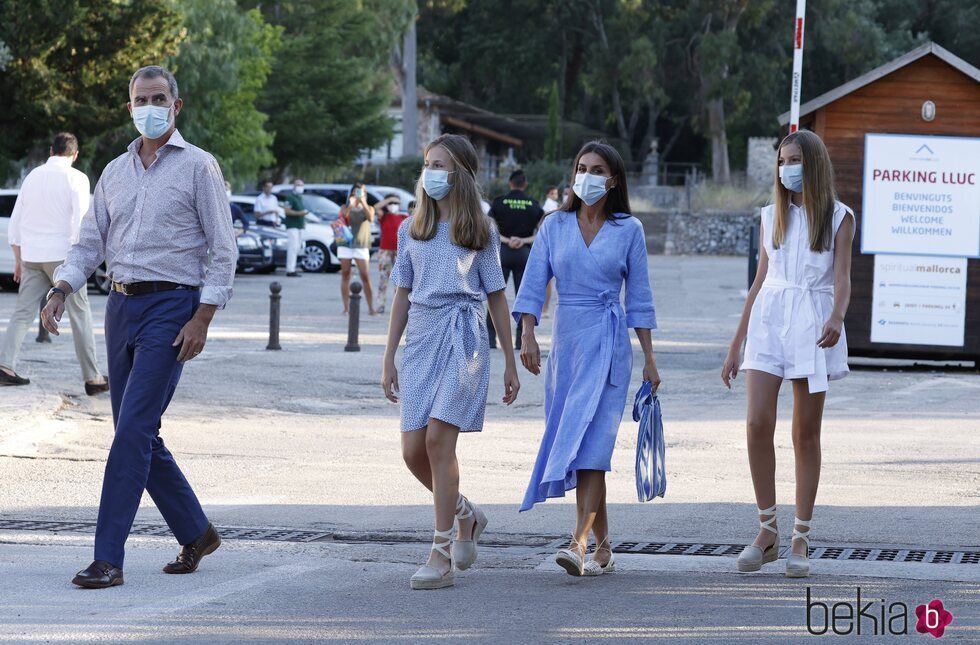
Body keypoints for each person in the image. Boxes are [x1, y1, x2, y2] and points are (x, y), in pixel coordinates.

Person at [42, 65, 238, 589]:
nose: (148, 106)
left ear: (177, 105)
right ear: (128, 107)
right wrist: (61, 288)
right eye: (139, 99)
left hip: (173, 310)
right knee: (136, 433)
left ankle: (108, 557)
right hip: (120, 308)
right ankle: (196, 532)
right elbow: (89, 243)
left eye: (158, 97)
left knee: (131, 432)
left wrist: (203, 316)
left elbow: (223, 249)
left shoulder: (200, 167)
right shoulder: (113, 172)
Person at [513, 141, 660, 577]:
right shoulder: (554, 225)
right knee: (577, 443)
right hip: (569, 347)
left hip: (611, 346)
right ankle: (605, 547)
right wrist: (527, 334)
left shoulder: (629, 229)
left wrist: (650, 359)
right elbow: (533, 283)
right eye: (581, 167)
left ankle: (577, 544)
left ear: (613, 179)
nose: (588, 176)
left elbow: (640, 298)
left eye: (597, 169)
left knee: (593, 447)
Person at [381, 134, 520, 590]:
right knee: (412, 451)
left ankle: (439, 554)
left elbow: (497, 296)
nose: (430, 173)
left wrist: (510, 361)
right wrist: (388, 358)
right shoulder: (410, 228)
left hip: (464, 339)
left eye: (439, 164)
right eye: (427, 164)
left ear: (460, 172)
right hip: (420, 339)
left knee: (440, 440)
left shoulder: (481, 228)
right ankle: (466, 514)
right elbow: (402, 293)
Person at [722, 130, 854, 579]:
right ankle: (767, 531)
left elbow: (843, 277)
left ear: (813, 162)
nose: (786, 168)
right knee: (758, 422)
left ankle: (800, 535)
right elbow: (760, 279)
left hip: (812, 319)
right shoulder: (769, 215)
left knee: (805, 433)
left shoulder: (838, 217)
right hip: (769, 318)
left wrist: (836, 316)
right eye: (781, 161)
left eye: (794, 159)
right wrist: (737, 340)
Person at [0, 133, 108, 394]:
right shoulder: (77, 178)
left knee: (22, 312)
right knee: (79, 314)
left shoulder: (32, 177)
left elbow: (16, 222)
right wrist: (80, 261)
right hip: (63, 258)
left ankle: (5, 365)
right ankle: (92, 378)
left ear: (51, 151)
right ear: (75, 154)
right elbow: (81, 222)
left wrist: (18, 259)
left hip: (33, 257)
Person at [486, 169, 544, 350]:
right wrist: (523, 240)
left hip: (501, 253)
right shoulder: (533, 204)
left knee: (495, 297)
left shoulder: (499, 202)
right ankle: (521, 341)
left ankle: (491, 340)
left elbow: (488, 229)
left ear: (510, 183)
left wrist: (507, 240)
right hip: (524, 255)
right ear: (525, 184)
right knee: (523, 298)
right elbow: (542, 232)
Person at [338, 182, 378, 315]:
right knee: (345, 275)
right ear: (352, 193)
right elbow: (344, 216)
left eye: (361, 192)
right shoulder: (345, 206)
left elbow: (370, 218)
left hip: (361, 245)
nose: (359, 194)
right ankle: (346, 308)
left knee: (365, 276)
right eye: (356, 192)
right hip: (346, 244)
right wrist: (351, 204)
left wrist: (363, 202)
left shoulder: (369, 207)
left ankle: (371, 308)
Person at [374, 194, 409, 314]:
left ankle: (397, 306)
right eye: (392, 203)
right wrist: (388, 200)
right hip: (385, 250)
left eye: (396, 203)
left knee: (399, 281)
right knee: (383, 279)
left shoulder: (403, 217)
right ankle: (380, 305)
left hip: (400, 252)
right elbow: (375, 208)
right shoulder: (383, 216)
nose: (394, 205)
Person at [283, 179, 308, 276]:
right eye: (298, 185)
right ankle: (290, 270)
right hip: (292, 226)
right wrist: (300, 213)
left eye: (302, 185)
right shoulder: (290, 197)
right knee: (292, 247)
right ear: (294, 186)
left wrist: (303, 220)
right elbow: (287, 211)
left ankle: (293, 267)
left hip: (299, 226)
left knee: (297, 247)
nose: (300, 187)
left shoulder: (299, 198)